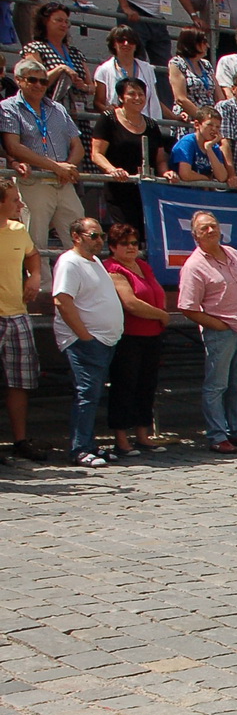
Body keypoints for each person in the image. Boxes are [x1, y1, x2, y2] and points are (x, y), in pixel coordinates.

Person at [176, 208, 237, 452]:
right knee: (217, 386)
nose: (211, 230)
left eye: (213, 225)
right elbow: (187, 308)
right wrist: (218, 325)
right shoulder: (194, 266)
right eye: (204, 228)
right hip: (220, 332)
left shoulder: (232, 253)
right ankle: (217, 435)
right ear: (196, 236)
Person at [52, 218, 124, 468]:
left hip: (103, 340)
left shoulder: (94, 262)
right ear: (76, 236)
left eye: (101, 236)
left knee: (93, 395)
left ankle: (89, 444)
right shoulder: (69, 262)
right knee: (86, 395)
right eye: (93, 235)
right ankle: (79, 449)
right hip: (85, 342)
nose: (99, 240)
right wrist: (84, 335)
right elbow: (62, 300)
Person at [101, 222, 170, 458]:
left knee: (147, 386)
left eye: (134, 243)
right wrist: (161, 315)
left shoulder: (142, 265)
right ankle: (121, 439)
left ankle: (143, 434)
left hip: (152, 335)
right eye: (124, 244)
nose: (131, 248)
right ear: (112, 246)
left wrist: (159, 313)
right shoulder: (112, 268)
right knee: (124, 386)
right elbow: (130, 303)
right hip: (129, 337)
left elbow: (156, 292)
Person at [1, 58, 84, 251]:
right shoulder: (8, 107)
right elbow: (13, 147)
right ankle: (40, 283)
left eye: (43, 81)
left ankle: (79, 281)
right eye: (32, 80)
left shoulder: (58, 109)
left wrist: (68, 168)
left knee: (80, 237)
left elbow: (77, 145)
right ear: (19, 80)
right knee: (36, 242)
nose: (39, 85)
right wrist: (57, 167)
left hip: (62, 182)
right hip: (34, 181)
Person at [0, 181, 48, 464]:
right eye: (15, 200)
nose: (20, 205)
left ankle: (20, 441)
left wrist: (35, 276)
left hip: (17, 314)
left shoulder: (18, 230)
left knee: (20, 383)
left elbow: (32, 254)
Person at [89, 77, 173, 233]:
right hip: (119, 189)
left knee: (146, 234)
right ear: (121, 97)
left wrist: (165, 172)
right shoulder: (109, 119)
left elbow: (160, 158)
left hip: (146, 190)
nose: (137, 98)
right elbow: (97, 153)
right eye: (132, 94)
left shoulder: (151, 125)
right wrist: (112, 169)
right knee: (125, 232)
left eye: (141, 94)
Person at [111, 0, 197, 74]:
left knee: (164, 64)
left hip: (157, 18)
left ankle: (163, 92)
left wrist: (194, 16)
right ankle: (136, 90)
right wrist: (125, 7)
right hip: (136, 15)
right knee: (137, 60)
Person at [23, 1, 91, 113]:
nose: (64, 25)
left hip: (77, 113)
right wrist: (60, 69)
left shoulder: (75, 53)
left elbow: (92, 86)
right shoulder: (35, 49)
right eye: (59, 20)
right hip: (50, 111)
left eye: (66, 21)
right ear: (45, 22)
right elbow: (35, 82)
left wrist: (83, 86)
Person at [92, 25, 162, 118]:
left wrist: (175, 117)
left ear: (136, 45)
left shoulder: (148, 69)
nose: (126, 43)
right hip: (117, 124)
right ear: (113, 44)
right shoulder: (104, 70)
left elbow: (154, 99)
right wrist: (109, 111)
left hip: (145, 124)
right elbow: (98, 102)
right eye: (121, 40)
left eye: (131, 41)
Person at [170, 104, 232, 185]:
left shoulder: (214, 147)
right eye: (209, 125)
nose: (214, 129)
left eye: (217, 127)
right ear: (197, 125)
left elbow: (222, 177)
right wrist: (206, 179)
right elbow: (185, 174)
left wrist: (208, 148)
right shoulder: (187, 142)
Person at [166, 26, 213, 122]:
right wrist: (203, 119)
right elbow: (180, 98)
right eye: (203, 42)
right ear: (192, 43)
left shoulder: (206, 64)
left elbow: (218, 95)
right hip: (189, 118)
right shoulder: (177, 63)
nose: (207, 46)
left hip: (210, 120)